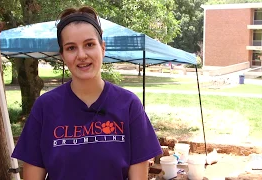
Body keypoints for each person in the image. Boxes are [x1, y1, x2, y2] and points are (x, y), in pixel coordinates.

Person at [11, 6, 162, 180]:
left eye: (89, 44)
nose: (81, 55)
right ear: (62, 56)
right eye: (71, 48)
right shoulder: (45, 107)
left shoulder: (128, 105)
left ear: (103, 48)